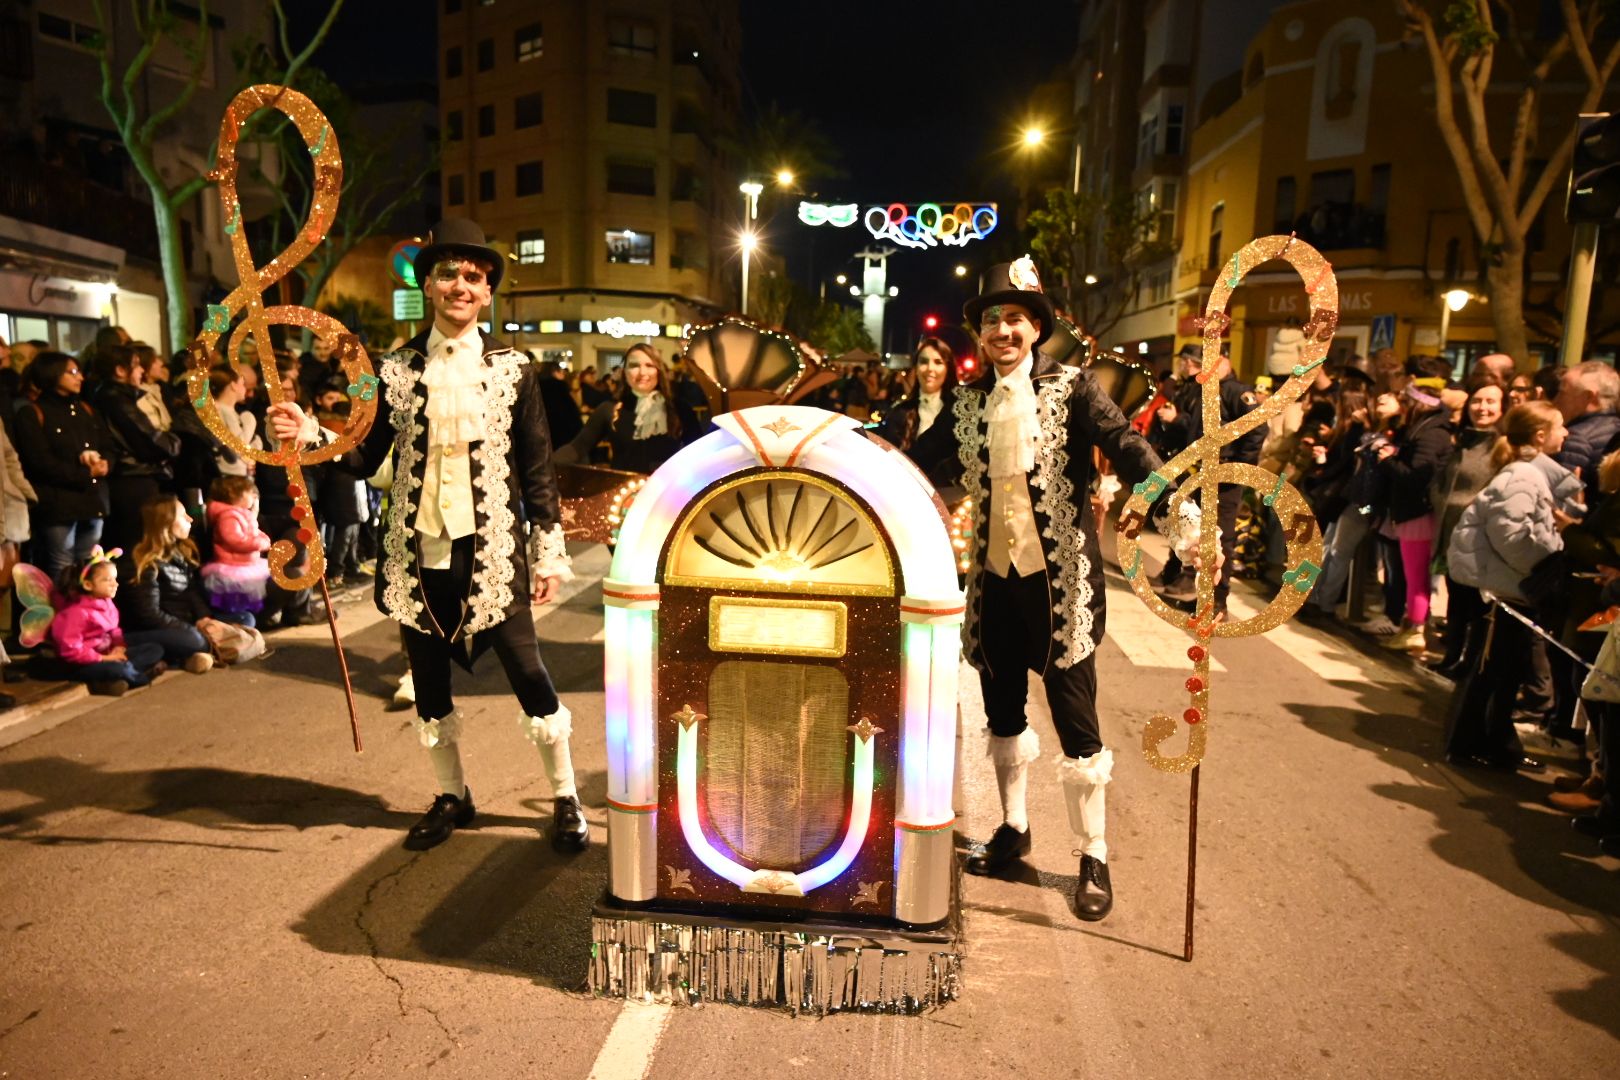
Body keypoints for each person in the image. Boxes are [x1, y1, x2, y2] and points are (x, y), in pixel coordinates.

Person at [268, 217, 586, 855]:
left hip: (491, 549)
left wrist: (549, 550)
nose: (461, 286)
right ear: (429, 286)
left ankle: (564, 796)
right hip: (415, 551)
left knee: (528, 672)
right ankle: (452, 796)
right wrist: (312, 436)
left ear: (488, 291)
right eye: (449, 274)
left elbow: (537, 468)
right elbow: (367, 457)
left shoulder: (516, 370)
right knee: (430, 681)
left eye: (474, 276)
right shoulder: (395, 370)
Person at [909, 257, 1170, 922]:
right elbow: (916, 461)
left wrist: (1175, 505)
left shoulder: (1075, 390)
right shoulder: (968, 402)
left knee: (1079, 730)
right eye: (991, 319)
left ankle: (1094, 855)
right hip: (994, 590)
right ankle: (1014, 828)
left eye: (1015, 319)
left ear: (1037, 328)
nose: (1002, 329)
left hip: (1061, 594)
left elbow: (1126, 443)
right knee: (1003, 719)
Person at [1444, 402, 1577, 771]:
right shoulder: (1522, 477)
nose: (1565, 433)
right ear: (1539, 435)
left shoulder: (1524, 474)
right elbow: (1511, 535)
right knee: (1492, 673)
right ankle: (1474, 744)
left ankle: (1492, 744)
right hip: (1508, 593)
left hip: (1512, 590)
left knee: (1502, 673)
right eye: (1560, 426)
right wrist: (1545, 567)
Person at [1152, 342, 1265, 614]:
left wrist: (1237, 467)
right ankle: (1199, 593)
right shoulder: (1206, 390)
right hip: (1201, 472)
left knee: (1221, 538)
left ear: (1223, 359)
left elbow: (1257, 431)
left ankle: (1217, 603)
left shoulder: (1238, 393)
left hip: (1224, 477)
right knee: (1198, 532)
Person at [1375, 356, 1457, 653]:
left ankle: (1415, 628)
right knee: (1414, 574)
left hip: (1416, 512)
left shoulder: (1432, 432)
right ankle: (1412, 625)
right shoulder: (1429, 428)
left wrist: (1389, 461)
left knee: (1416, 576)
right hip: (1412, 511)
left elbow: (1417, 476)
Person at [1427, 381, 1505, 676]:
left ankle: (1470, 664)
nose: (1482, 407)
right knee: (1456, 602)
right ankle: (1451, 657)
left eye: (1490, 401)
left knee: (1475, 607)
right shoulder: (1462, 439)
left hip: (1477, 539)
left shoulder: (1502, 446)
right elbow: (1443, 481)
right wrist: (1437, 497)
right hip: (1449, 535)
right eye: (1477, 400)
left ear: (1502, 408)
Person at [12, 352, 111, 578]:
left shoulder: (86, 409)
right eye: (72, 372)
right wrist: (86, 472)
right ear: (52, 374)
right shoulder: (32, 413)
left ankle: (86, 613)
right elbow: (39, 462)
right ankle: (65, 614)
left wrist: (106, 463)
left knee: (90, 567)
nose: (80, 378)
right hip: (58, 505)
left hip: (93, 499)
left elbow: (107, 445)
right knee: (62, 569)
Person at [554, 341, 700, 474]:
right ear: (624, 372)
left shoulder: (680, 409)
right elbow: (578, 447)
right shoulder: (609, 409)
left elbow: (700, 451)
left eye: (649, 365)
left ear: (659, 371)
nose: (642, 373)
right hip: (625, 495)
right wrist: (545, 466)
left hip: (669, 495)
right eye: (634, 365)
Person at [90, 344, 181, 553]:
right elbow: (150, 440)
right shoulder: (116, 400)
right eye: (137, 366)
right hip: (132, 479)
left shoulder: (116, 397)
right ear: (120, 371)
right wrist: (174, 441)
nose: (142, 371)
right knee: (138, 545)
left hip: (133, 476)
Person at [119, 495, 223, 673]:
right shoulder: (144, 563)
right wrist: (193, 629)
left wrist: (204, 619)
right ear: (165, 523)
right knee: (195, 640)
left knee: (244, 618)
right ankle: (183, 655)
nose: (190, 519)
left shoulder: (179, 553)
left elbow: (191, 593)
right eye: (183, 516)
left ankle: (182, 657)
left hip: (179, 625)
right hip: (150, 631)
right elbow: (149, 615)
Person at [49, 547, 164, 696]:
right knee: (118, 668)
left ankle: (117, 678)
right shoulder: (75, 613)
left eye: (115, 579)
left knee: (155, 649)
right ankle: (139, 677)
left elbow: (114, 630)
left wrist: (119, 647)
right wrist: (105, 658)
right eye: (107, 580)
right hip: (83, 663)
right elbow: (71, 651)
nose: (115, 584)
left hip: (108, 654)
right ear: (88, 585)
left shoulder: (107, 602)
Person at [200, 475, 271, 625]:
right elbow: (235, 540)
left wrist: (263, 538)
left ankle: (245, 628)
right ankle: (236, 629)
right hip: (232, 569)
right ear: (234, 495)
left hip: (245, 566)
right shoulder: (229, 516)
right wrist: (260, 543)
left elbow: (254, 532)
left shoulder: (243, 514)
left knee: (245, 604)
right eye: (250, 492)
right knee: (233, 606)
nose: (254, 495)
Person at [1552, 360, 1620, 508]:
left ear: (1589, 397)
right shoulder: (1616, 431)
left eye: (1562, 392)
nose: (1556, 400)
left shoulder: (1574, 439)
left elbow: (1562, 504)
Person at [877, 336, 958, 453]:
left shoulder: (959, 413)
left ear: (948, 368)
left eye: (938, 362)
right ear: (916, 368)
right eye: (924, 362)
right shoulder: (899, 413)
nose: (930, 368)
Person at [208, 366, 259, 478]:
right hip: (229, 476)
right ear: (233, 385)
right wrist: (250, 420)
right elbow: (238, 445)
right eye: (242, 384)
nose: (245, 389)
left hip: (241, 474)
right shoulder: (218, 411)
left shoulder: (232, 412)